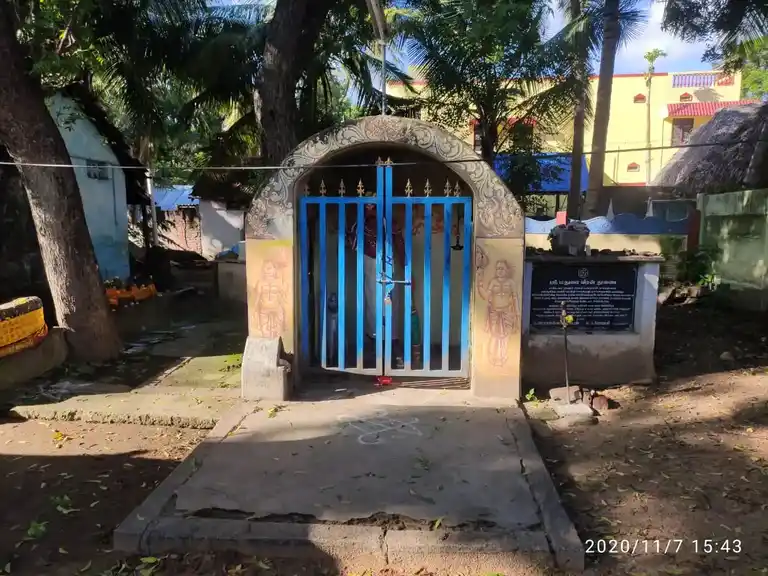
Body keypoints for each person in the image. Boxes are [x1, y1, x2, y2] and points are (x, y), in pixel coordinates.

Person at [347, 193, 406, 366]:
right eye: (368, 206)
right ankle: (375, 343)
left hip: (388, 265)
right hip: (371, 265)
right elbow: (353, 245)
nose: (371, 209)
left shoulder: (389, 223)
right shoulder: (360, 224)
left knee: (391, 305)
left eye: (374, 205)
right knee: (372, 304)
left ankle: (393, 344)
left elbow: (400, 244)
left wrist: (407, 269)